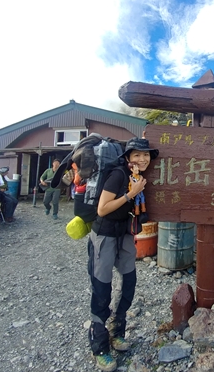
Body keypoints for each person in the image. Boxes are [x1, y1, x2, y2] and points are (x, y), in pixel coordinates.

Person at [87, 137, 158, 372]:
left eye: (146, 155)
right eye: (137, 154)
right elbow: (103, 209)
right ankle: (100, 347)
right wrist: (131, 193)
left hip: (125, 234)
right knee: (102, 287)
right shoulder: (119, 174)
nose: (143, 159)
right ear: (127, 157)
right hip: (105, 234)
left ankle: (117, 332)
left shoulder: (137, 176)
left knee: (129, 282)